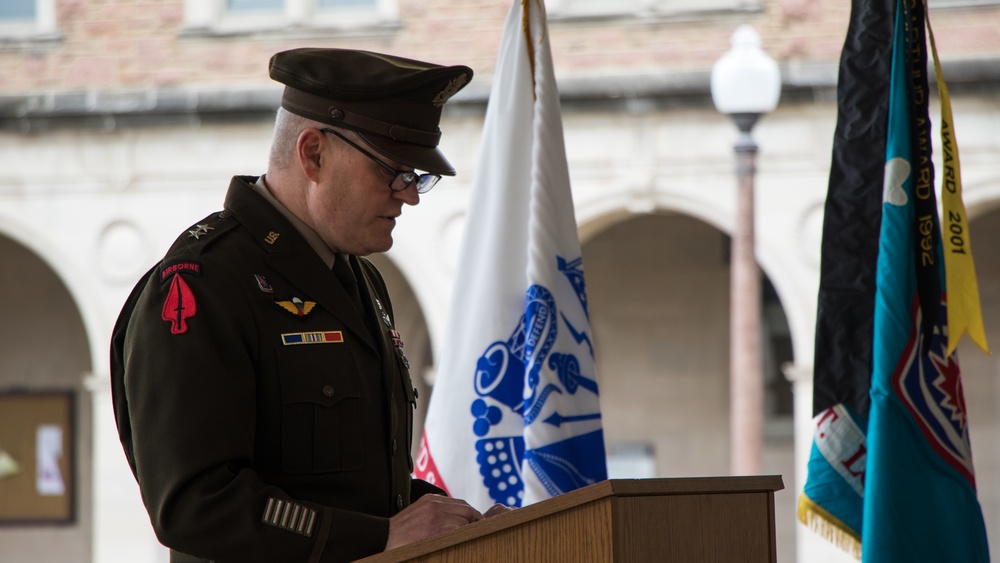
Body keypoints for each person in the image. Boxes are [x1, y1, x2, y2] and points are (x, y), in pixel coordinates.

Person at [110, 48, 507, 563]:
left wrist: (457, 521)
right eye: (394, 171)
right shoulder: (204, 283)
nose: (408, 196)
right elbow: (195, 505)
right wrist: (379, 538)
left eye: (416, 175)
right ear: (314, 154)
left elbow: (352, 488)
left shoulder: (360, 279)